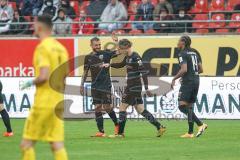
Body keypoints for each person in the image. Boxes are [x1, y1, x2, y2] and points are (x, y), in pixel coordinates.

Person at [20, 15, 69, 160]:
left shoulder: (43, 48)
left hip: (43, 103)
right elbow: (64, 77)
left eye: (34, 25)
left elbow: (44, 76)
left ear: (40, 27)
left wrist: (30, 83)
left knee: (26, 144)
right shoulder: (61, 48)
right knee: (56, 145)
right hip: (58, 102)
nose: (33, 28)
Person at [103, 39, 166, 138]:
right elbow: (121, 65)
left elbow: (144, 72)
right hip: (133, 86)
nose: (119, 51)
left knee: (122, 107)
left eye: (120, 49)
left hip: (133, 86)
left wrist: (147, 88)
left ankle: (120, 133)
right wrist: (110, 64)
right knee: (140, 109)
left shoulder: (136, 57)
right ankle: (159, 127)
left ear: (126, 48)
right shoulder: (127, 57)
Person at [80, 35, 120, 137]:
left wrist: (117, 42)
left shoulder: (105, 53)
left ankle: (117, 124)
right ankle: (101, 132)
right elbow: (85, 72)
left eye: (99, 44)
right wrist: (81, 85)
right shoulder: (88, 57)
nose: (98, 46)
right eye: (96, 45)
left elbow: (118, 52)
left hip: (105, 84)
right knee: (97, 107)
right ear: (91, 45)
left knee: (107, 107)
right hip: (95, 85)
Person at [171, 35, 208, 138]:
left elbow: (184, 69)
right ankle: (190, 132)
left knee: (182, 106)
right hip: (196, 80)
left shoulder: (182, 53)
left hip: (188, 82)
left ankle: (200, 124)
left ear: (183, 42)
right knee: (189, 107)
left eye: (178, 41)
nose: (177, 43)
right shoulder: (195, 53)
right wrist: (191, 74)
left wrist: (174, 79)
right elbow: (201, 70)